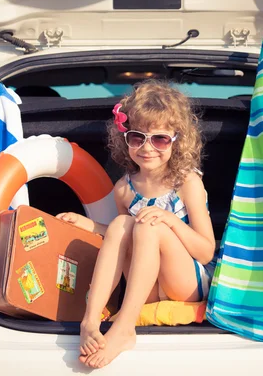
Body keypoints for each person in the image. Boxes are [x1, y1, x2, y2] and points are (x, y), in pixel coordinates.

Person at [56, 79, 216, 369]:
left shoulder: (187, 182)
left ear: (177, 140)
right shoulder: (124, 189)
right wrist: (90, 227)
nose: (147, 147)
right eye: (137, 137)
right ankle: (90, 320)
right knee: (120, 224)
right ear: (124, 138)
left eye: (160, 139)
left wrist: (170, 221)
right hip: (146, 287)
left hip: (185, 283)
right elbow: (123, 240)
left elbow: (205, 252)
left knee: (148, 226)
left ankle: (125, 327)